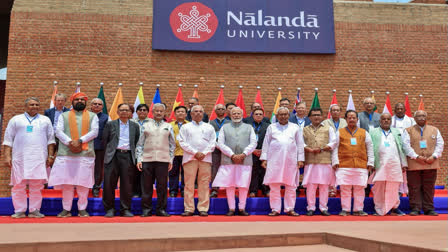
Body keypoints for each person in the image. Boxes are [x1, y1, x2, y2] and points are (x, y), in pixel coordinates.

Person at [3, 97, 56, 218]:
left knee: (36, 186)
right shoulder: (16, 119)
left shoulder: (45, 120)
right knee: (18, 185)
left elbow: (51, 140)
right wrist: (7, 156)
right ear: (25, 106)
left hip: (39, 158)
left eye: (37, 105)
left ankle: (34, 210)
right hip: (19, 158)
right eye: (32, 104)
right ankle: (19, 210)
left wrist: (51, 155)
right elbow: (8, 139)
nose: (35, 107)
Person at [48, 92, 98, 217]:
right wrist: (70, 142)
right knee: (67, 183)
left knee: (83, 184)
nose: (80, 101)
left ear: (86, 102)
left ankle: (82, 209)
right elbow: (58, 131)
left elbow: (95, 132)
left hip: (85, 154)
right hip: (66, 153)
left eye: (82, 100)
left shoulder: (93, 116)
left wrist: (80, 141)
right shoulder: (63, 116)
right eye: (77, 99)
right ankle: (66, 209)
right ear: (72, 102)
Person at [213, 107, 257, 216]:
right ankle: (231, 208)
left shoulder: (249, 127)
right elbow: (220, 143)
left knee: (243, 185)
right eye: (234, 113)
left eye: (238, 113)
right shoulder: (225, 127)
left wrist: (244, 154)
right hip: (228, 160)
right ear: (230, 115)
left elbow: (253, 143)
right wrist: (231, 154)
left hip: (245, 160)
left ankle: (242, 208)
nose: (236, 115)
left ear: (242, 115)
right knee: (230, 185)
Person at [260, 107, 304, 216]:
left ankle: (290, 208)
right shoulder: (271, 127)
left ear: (289, 116)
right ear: (277, 116)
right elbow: (266, 144)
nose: (283, 116)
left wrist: (300, 159)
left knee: (291, 186)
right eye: (281, 114)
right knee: (274, 186)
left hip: (291, 161)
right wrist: (264, 159)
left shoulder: (295, 127)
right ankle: (275, 209)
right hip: (274, 161)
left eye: (285, 114)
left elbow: (300, 144)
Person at [402, 110, 444, 216]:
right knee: (414, 187)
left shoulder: (434, 130)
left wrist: (434, 156)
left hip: (431, 162)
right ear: (414, 119)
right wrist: (416, 157)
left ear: (426, 118)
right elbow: (405, 146)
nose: (421, 117)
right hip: (414, 162)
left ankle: (429, 208)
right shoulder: (408, 130)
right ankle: (415, 208)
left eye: (423, 116)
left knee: (429, 187)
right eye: (419, 116)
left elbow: (440, 144)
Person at [136, 103, 175, 217]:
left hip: (163, 161)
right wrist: (139, 159)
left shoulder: (168, 126)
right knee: (146, 186)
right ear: (152, 113)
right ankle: (146, 210)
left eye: (161, 111)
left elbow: (172, 145)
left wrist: (170, 160)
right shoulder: (145, 125)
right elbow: (140, 144)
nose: (158, 113)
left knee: (162, 186)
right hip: (147, 160)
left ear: (164, 113)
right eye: (156, 111)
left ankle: (161, 209)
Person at [332, 110, 374, 216]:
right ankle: (345, 209)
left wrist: (370, 162)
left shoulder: (364, 132)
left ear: (357, 119)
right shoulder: (340, 132)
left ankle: (358, 209)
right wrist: (335, 161)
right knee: (345, 188)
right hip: (344, 164)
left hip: (361, 164)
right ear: (346, 119)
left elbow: (370, 148)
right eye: (349, 117)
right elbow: (335, 147)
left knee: (359, 188)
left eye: (353, 117)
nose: (351, 119)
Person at [102, 103, 140, 217]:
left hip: (128, 156)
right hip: (113, 156)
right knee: (109, 183)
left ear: (130, 113)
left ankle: (125, 209)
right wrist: (109, 153)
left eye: (126, 110)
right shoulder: (110, 124)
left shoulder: (135, 126)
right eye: (121, 110)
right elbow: (105, 140)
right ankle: (109, 209)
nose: (124, 112)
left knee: (127, 184)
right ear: (117, 112)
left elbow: (136, 141)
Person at [178, 105, 216, 216]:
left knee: (204, 184)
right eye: (196, 111)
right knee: (189, 184)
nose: (198, 113)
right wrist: (195, 152)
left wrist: (203, 153)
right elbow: (182, 142)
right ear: (191, 113)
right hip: (190, 158)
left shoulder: (209, 127)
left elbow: (213, 143)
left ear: (203, 113)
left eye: (200, 111)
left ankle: (203, 208)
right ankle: (189, 208)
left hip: (206, 158)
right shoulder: (185, 127)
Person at [369, 113, 407, 216]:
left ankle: (394, 208)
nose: (386, 121)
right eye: (384, 119)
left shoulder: (396, 132)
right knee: (378, 188)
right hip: (379, 164)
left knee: (394, 187)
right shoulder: (373, 132)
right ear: (380, 121)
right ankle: (378, 208)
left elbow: (401, 148)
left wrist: (404, 163)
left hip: (394, 164)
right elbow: (370, 148)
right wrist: (371, 163)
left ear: (391, 121)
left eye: (388, 119)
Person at [302, 108, 337, 216]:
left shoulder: (328, 128)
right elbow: (300, 143)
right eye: (314, 115)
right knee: (311, 186)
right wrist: (309, 149)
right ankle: (311, 207)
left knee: (324, 186)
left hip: (325, 160)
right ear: (310, 117)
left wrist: (322, 148)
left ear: (322, 116)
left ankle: (323, 208)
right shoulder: (304, 129)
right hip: (311, 161)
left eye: (318, 115)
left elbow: (334, 142)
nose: (316, 117)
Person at [391, 103, 416, 197]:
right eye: (398, 109)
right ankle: (399, 190)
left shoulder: (411, 120)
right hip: (395, 149)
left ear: (405, 110)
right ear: (395, 110)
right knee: (399, 169)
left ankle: (409, 189)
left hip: (409, 148)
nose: (400, 110)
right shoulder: (391, 120)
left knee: (408, 170)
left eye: (401, 109)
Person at [322, 104, 347, 197]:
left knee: (341, 169)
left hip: (342, 149)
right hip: (329, 149)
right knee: (330, 170)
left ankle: (342, 188)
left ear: (340, 112)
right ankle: (331, 189)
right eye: (333, 110)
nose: (335, 112)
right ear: (330, 112)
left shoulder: (345, 122)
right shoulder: (325, 122)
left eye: (337, 110)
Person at [247, 108, 270, 197]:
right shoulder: (248, 126)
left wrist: (263, 150)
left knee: (265, 171)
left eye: (260, 114)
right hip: (251, 152)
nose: (258, 115)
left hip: (264, 152)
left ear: (263, 115)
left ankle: (266, 190)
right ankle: (253, 190)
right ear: (253, 116)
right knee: (253, 171)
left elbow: (270, 139)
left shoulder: (268, 126)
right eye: (256, 114)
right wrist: (253, 150)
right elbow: (245, 139)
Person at [209, 104, 230, 198]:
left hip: (227, 150)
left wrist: (224, 147)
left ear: (225, 111)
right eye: (218, 109)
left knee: (229, 169)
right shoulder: (210, 123)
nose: (221, 110)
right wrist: (217, 145)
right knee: (215, 169)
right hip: (215, 150)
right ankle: (214, 189)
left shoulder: (230, 123)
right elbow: (209, 136)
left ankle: (229, 189)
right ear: (215, 111)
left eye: (222, 109)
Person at [131, 103, 151, 198]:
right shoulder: (131, 122)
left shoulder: (152, 122)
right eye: (140, 110)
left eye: (144, 110)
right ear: (136, 112)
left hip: (147, 151)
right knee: (134, 173)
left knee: (146, 174)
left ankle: (145, 193)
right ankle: (135, 192)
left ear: (148, 112)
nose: (142, 111)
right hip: (133, 151)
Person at [91, 98, 109, 198]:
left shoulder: (106, 118)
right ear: (91, 105)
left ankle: (96, 187)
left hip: (100, 147)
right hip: (86, 147)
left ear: (102, 107)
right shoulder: (85, 116)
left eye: (99, 104)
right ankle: (84, 186)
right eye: (95, 104)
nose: (97, 105)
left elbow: (107, 134)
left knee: (98, 169)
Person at [169, 105, 189, 198]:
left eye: (182, 112)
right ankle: (173, 190)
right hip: (173, 153)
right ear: (175, 114)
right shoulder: (169, 125)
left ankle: (184, 190)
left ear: (186, 114)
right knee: (173, 173)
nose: (180, 113)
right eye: (178, 112)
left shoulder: (190, 125)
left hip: (187, 153)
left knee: (186, 173)